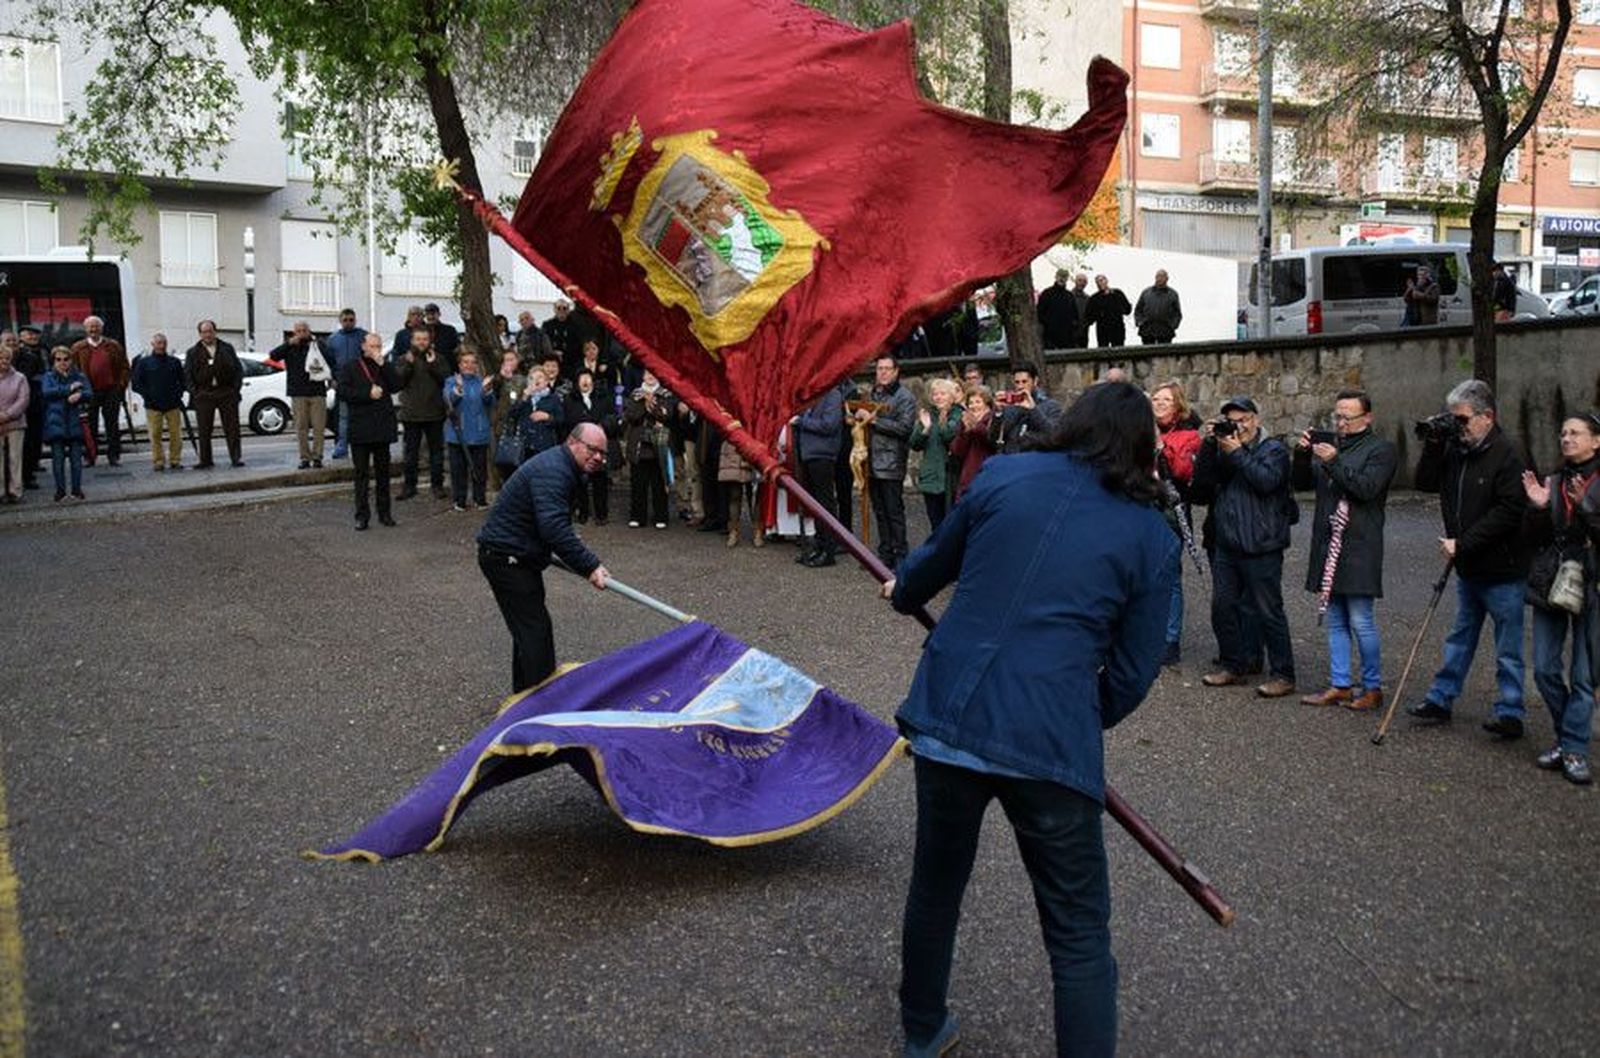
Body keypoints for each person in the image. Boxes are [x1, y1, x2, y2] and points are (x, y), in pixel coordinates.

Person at [886, 381, 1175, 1058]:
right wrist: (1073, 715)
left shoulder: (1002, 477)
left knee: (936, 885)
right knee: (1077, 931)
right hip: (1046, 737)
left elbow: (922, 576)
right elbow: (1133, 673)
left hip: (953, 718)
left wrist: (903, 588)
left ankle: (922, 1032)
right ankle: (927, 1028)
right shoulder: (1149, 534)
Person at [1408, 379, 1530, 736]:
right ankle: (1441, 698)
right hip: (1468, 567)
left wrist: (1464, 543)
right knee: (1460, 636)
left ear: (1486, 416)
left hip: (1504, 567)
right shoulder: (1457, 449)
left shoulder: (1508, 453)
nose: (1457, 426)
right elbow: (1425, 483)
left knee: (1508, 645)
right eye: (1453, 419)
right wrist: (1434, 443)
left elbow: (1510, 510)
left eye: (1462, 420)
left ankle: (1510, 711)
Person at [476, 423, 612, 692]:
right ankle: (539, 709)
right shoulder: (553, 471)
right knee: (535, 634)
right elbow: (554, 528)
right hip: (507, 558)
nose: (598, 457)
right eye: (592, 450)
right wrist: (590, 565)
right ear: (572, 442)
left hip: (519, 555)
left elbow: (551, 525)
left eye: (602, 453)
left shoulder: (563, 467)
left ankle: (524, 698)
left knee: (528, 631)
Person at [1291, 390, 1399, 712]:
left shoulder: (1382, 450)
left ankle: (1372, 686)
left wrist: (1333, 462)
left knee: (1361, 620)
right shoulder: (1332, 448)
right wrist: (1301, 456)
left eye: (1347, 417)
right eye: (1337, 417)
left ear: (1367, 418)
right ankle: (1339, 683)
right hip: (1328, 542)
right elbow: (1302, 484)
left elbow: (1366, 488)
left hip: (1359, 544)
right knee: (1336, 619)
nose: (1340, 423)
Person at [1194, 396, 1298, 698]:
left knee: (1269, 611)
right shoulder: (1223, 449)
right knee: (1222, 606)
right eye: (1232, 421)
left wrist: (1238, 452)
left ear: (1256, 419)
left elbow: (1266, 481)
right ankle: (1233, 664)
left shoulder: (1274, 450)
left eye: (1243, 419)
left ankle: (1284, 673)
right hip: (1228, 543)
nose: (1238, 426)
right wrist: (1210, 445)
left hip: (1262, 543)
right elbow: (1201, 486)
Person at [1520, 412, 1600, 785]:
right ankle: (1567, 734)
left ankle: (1574, 749)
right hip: (1553, 581)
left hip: (1593, 585)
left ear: (1596, 441)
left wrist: (1585, 506)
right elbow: (1530, 538)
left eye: (1576, 433)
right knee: (1545, 668)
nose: (1566, 438)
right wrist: (1537, 508)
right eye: (1563, 432)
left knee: (1584, 676)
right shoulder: (1553, 480)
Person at [1151, 381, 1202, 666]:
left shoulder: (1188, 436)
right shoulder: (1139, 432)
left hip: (1170, 513)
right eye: (1155, 399)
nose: (1158, 403)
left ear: (1177, 405)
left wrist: (1161, 447)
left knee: (1169, 577)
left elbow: (1184, 472)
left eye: (1165, 400)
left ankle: (1170, 641)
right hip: (1140, 509)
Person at [858, 354, 918, 568]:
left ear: (895, 371)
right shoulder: (875, 393)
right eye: (879, 369)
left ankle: (901, 552)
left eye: (886, 369)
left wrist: (874, 420)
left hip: (891, 461)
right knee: (880, 511)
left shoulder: (905, 397)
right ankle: (886, 552)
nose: (882, 372)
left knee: (893, 511)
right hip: (872, 460)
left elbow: (904, 428)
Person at [337, 332, 401, 530]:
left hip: (381, 426)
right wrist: (367, 394)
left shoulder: (384, 366)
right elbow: (342, 392)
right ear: (363, 346)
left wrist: (384, 364)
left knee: (383, 474)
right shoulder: (351, 367)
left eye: (379, 346)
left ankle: (385, 513)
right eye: (372, 346)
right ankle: (362, 515)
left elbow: (397, 385)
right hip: (361, 428)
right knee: (361, 475)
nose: (376, 350)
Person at [268, 320, 333, 469]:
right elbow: (273, 356)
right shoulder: (290, 347)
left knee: (319, 427)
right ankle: (304, 457)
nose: (302, 333)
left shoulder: (317, 344)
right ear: (294, 332)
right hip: (297, 392)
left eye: (304, 330)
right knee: (301, 427)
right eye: (298, 331)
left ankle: (317, 457)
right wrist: (288, 343)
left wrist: (316, 343)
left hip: (317, 391)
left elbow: (330, 358)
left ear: (309, 331)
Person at [793, 384, 845, 567]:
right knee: (814, 504)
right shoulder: (811, 395)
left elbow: (829, 425)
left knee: (825, 503)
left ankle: (828, 549)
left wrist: (801, 422)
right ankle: (819, 544)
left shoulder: (833, 395)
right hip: (808, 454)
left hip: (822, 455)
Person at [394, 326, 449, 500]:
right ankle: (409, 486)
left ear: (430, 341)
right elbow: (398, 383)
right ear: (412, 341)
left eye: (424, 339)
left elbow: (446, 380)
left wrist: (433, 366)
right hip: (411, 413)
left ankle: (437, 485)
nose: (421, 342)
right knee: (411, 453)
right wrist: (409, 365)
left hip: (434, 412)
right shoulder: (404, 359)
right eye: (418, 339)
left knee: (436, 453)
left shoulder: (439, 359)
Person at [70, 315, 129, 466]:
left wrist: (121, 385)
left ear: (101, 328)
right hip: (89, 392)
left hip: (111, 391)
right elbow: (72, 370)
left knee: (112, 425)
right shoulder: (78, 348)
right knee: (90, 426)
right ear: (86, 329)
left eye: (96, 326)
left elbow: (124, 367)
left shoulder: (113, 345)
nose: (93, 329)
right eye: (90, 327)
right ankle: (90, 456)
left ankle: (114, 456)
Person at [183, 320, 243, 469]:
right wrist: (195, 392)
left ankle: (235, 457)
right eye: (204, 332)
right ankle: (205, 460)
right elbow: (187, 375)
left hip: (226, 392)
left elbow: (238, 370)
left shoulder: (227, 348)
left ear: (215, 331)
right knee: (204, 429)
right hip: (204, 394)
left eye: (210, 331)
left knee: (232, 428)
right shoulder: (192, 352)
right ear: (200, 334)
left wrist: (235, 389)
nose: (207, 334)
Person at [444, 347, 495, 512]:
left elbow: (490, 403)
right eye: (465, 362)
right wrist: (458, 390)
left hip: (479, 432)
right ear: (459, 365)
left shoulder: (482, 381)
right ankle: (459, 500)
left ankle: (479, 499)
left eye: (473, 363)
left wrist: (487, 391)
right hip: (458, 434)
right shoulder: (451, 381)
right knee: (458, 470)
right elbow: (448, 401)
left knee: (480, 469)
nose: (469, 366)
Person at [908, 378, 961, 536]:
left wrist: (942, 419)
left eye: (942, 394)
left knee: (952, 524)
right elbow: (914, 444)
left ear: (951, 396)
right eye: (935, 394)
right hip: (931, 476)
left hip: (951, 477)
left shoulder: (958, 414)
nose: (938, 397)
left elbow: (948, 436)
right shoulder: (928, 414)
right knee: (935, 524)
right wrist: (925, 429)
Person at [563, 368, 616, 524]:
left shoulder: (603, 397)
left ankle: (601, 514)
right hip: (580, 445)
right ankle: (583, 512)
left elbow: (611, 417)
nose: (585, 381)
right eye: (582, 378)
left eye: (588, 378)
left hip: (599, 444)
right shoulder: (569, 399)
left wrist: (601, 426)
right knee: (580, 481)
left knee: (600, 479)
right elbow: (568, 422)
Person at [623, 371, 675, 530]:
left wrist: (652, 406)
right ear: (643, 376)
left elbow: (667, 415)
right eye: (647, 373)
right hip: (639, 444)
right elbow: (631, 416)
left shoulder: (665, 394)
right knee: (638, 483)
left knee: (659, 483)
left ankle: (661, 516)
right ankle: (637, 516)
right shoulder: (635, 394)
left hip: (658, 444)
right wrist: (646, 406)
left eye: (654, 373)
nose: (651, 376)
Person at [129, 333, 187, 472]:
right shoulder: (144, 363)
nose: (161, 345)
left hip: (173, 404)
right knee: (155, 435)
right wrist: (147, 396)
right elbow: (136, 383)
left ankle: (175, 460)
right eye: (158, 343)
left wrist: (178, 394)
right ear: (153, 344)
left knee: (176, 435)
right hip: (153, 405)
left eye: (163, 343)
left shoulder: (175, 362)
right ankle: (158, 461)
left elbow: (183, 381)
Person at [41, 346, 90, 501]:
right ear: (54, 361)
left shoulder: (79, 376)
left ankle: (77, 490)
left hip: (75, 420)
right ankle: (60, 491)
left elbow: (89, 393)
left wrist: (80, 395)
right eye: (58, 359)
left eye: (66, 359)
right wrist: (68, 389)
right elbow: (47, 392)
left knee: (76, 460)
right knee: (58, 460)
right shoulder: (49, 376)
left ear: (71, 360)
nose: (62, 362)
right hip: (56, 421)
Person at [323, 309, 367, 460]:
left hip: (361, 383)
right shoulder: (333, 339)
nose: (348, 322)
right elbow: (328, 362)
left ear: (355, 320)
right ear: (340, 321)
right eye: (345, 320)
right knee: (343, 417)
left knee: (362, 416)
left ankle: (363, 446)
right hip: (342, 383)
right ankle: (342, 447)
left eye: (351, 319)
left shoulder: (363, 336)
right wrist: (331, 379)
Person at [990, 363, 1061, 454]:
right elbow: (994, 439)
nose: (1020, 386)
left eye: (1024, 382)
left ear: (1035, 381)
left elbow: (1054, 435)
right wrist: (998, 413)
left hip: (1036, 460)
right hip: (1011, 460)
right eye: (1017, 382)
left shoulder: (1051, 406)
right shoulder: (1009, 406)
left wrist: (1033, 410)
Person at [947, 385, 998, 504]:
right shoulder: (966, 421)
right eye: (970, 403)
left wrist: (976, 426)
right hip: (968, 476)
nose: (974, 406)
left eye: (978, 402)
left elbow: (990, 440)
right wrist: (964, 430)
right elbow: (957, 450)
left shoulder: (994, 420)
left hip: (988, 474)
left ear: (987, 404)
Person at [488, 350, 530, 489]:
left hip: (518, 423)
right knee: (502, 457)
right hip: (501, 424)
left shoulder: (523, 379)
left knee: (517, 457)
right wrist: (501, 377)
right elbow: (492, 393)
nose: (509, 363)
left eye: (512, 359)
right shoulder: (497, 379)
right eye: (506, 360)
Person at [718, 436, 763, 548]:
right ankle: (734, 531)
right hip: (734, 447)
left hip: (754, 442)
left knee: (755, 495)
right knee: (735, 494)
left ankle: (757, 531)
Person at [15, 325, 45, 489]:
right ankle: (27, 475)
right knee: (28, 440)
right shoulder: (20, 354)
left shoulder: (42, 350)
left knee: (36, 436)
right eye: (29, 335)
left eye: (35, 334)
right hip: (27, 401)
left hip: (39, 399)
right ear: (21, 336)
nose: (33, 337)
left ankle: (34, 464)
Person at [0, 336, 27, 502]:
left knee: (15, 458)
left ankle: (16, 491)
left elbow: (23, 399)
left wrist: (7, 415)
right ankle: (0, 492)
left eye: (7, 358)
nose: (4, 361)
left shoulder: (20, 378)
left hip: (15, 423)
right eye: (1, 358)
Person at [1134, 270, 1182, 345]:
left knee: (1165, 355)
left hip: (1165, 332)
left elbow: (1177, 314)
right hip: (1147, 331)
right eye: (1157, 276)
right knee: (1147, 354)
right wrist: (1140, 323)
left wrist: (1172, 325)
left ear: (1167, 279)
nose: (1159, 279)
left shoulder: (1173, 294)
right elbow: (1138, 310)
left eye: (1162, 277)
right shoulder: (1146, 293)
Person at [1036, 268, 1079, 350]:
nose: (1062, 279)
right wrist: (1048, 324)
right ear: (1056, 277)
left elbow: (1075, 315)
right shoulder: (1047, 293)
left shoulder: (1069, 296)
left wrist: (1073, 328)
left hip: (1067, 337)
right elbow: (1039, 313)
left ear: (1067, 279)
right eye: (1060, 276)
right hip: (1050, 336)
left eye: (1064, 277)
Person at [422, 303, 460, 369]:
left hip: (446, 367)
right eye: (428, 314)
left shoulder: (449, 330)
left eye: (433, 314)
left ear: (439, 314)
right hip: (426, 368)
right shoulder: (421, 331)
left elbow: (456, 349)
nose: (431, 317)